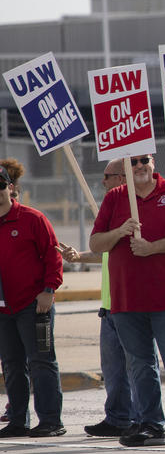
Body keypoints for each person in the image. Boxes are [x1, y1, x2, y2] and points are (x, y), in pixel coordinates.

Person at [89, 154, 165, 448]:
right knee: (140, 366)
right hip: (127, 300)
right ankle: (152, 427)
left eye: (144, 160)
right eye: (133, 162)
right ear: (126, 168)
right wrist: (119, 232)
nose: (139, 166)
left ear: (154, 162)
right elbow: (96, 243)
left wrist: (152, 248)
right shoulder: (115, 197)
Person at [56, 159, 138, 437]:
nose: (102, 182)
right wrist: (80, 256)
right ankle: (117, 418)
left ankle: (140, 418)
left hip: (132, 304)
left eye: (107, 176)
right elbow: (107, 251)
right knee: (113, 370)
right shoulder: (111, 208)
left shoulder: (136, 211)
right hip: (109, 304)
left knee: (137, 367)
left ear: (121, 178)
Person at [0, 162, 65, 438]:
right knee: (11, 364)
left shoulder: (32, 218)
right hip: (3, 308)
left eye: (0, 185)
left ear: (10, 188)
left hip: (33, 305)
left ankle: (51, 421)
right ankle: (18, 419)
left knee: (41, 361)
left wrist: (49, 290)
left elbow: (53, 256)